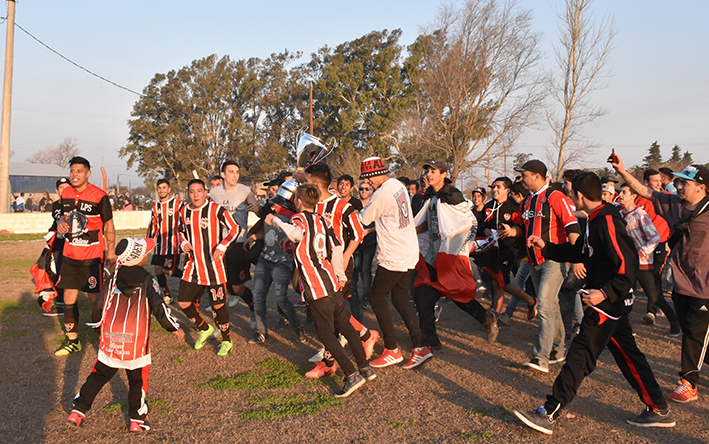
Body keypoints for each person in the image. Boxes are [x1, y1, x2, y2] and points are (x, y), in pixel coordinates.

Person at [514, 172, 675, 434]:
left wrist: (605, 293)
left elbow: (627, 265)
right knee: (629, 356)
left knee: (579, 356)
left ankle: (549, 411)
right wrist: (547, 246)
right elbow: (579, 252)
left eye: (568, 190)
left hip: (607, 304)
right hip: (612, 304)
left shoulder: (608, 221)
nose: (567, 195)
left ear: (578, 194)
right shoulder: (594, 219)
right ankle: (658, 408)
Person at [613, 155, 709, 404]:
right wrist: (623, 171)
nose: (679, 186)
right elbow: (645, 190)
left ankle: (688, 383)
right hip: (681, 281)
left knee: (695, 334)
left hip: (706, 286)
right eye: (679, 182)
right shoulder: (674, 205)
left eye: (685, 182)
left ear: (701, 187)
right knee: (691, 331)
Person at [266, 183, 374, 398]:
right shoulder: (322, 219)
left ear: (298, 201)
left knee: (325, 332)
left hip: (317, 287)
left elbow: (295, 233)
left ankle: (352, 374)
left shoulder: (299, 218)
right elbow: (336, 247)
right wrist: (341, 275)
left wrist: (276, 220)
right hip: (331, 281)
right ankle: (364, 368)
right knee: (345, 326)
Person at [67, 237, 184, 432]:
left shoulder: (113, 277)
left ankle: (78, 411)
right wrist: (173, 327)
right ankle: (137, 421)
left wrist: (99, 328)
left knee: (99, 374)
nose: (147, 256)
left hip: (111, 337)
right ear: (138, 259)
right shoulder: (147, 279)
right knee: (137, 380)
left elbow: (98, 305)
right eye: (145, 254)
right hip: (136, 340)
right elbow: (159, 306)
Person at [414, 161, 498, 359]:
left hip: (448, 256)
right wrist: (409, 232)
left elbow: (466, 222)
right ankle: (431, 342)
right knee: (422, 298)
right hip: (432, 256)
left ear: (444, 174)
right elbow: (427, 222)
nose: (429, 174)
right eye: (428, 171)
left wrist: (453, 240)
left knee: (458, 295)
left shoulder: (453, 195)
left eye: (433, 171)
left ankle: (486, 318)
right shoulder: (430, 196)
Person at [511, 160, 581, 373]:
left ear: (537, 176)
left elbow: (572, 227)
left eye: (525, 175)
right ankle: (559, 351)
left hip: (554, 260)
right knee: (552, 307)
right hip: (534, 262)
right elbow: (523, 227)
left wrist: (577, 258)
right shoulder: (527, 201)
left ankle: (540, 357)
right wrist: (514, 232)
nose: (522, 179)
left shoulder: (555, 197)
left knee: (544, 307)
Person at [359, 157, 425, 369]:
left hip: (393, 255)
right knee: (399, 299)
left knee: (376, 298)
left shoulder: (381, 194)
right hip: (407, 249)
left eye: (369, 178)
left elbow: (363, 218)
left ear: (375, 174)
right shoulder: (397, 185)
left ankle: (392, 349)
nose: (368, 183)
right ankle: (420, 346)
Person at [54, 157, 116, 356]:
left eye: (79, 171)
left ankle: (106, 337)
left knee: (95, 298)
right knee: (68, 297)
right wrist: (60, 224)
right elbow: (63, 218)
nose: (75, 175)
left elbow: (109, 226)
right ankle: (73, 341)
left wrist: (112, 251)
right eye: (72, 171)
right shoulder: (66, 193)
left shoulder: (99, 196)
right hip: (70, 255)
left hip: (92, 257)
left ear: (88, 173)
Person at [176, 179, 241, 356]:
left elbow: (235, 229)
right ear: (187, 193)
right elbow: (180, 231)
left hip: (214, 268)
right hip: (193, 266)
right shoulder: (184, 211)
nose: (195, 194)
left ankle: (226, 341)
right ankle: (204, 328)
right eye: (191, 191)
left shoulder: (216, 209)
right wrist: (183, 243)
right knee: (183, 302)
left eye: (199, 191)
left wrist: (222, 246)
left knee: (218, 306)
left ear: (205, 192)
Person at [248, 177, 306, 344]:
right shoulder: (271, 209)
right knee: (258, 295)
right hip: (265, 259)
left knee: (281, 297)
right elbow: (266, 231)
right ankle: (261, 331)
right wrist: (253, 237)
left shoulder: (297, 217)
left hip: (283, 261)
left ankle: (297, 326)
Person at [617, 183, 680, 336]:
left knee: (655, 296)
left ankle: (675, 323)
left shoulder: (640, 214)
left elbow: (655, 237)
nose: (621, 195)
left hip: (644, 264)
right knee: (625, 294)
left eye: (625, 192)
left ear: (633, 196)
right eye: (620, 192)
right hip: (627, 263)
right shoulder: (618, 213)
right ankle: (625, 329)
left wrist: (641, 252)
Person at [477, 176, 537, 324]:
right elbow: (481, 225)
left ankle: (496, 316)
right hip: (491, 249)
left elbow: (522, 228)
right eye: (494, 187)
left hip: (508, 250)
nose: (495, 190)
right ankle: (527, 302)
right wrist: (485, 231)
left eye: (498, 187)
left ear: (507, 190)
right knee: (496, 282)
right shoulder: (488, 205)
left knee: (500, 282)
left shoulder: (514, 206)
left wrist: (512, 232)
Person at [209, 160, 259, 315]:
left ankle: (253, 309)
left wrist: (258, 208)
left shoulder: (245, 191)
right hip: (218, 244)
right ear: (223, 174)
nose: (235, 175)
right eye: (231, 172)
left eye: (237, 172)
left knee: (237, 287)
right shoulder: (214, 193)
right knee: (218, 284)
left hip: (238, 243)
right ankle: (221, 324)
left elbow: (259, 213)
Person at [147, 179, 183, 305]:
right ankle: (167, 294)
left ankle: (189, 276)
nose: (162, 190)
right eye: (159, 188)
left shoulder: (178, 204)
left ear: (169, 189)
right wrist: (148, 241)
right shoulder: (155, 207)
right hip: (160, 245)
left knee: (168, 270)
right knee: (157, 269)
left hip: (173, 245)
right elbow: (153, 225)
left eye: (164, 187)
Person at [352, 182, 376, 309]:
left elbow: (379, 224)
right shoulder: (354, 204)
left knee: (365, 270)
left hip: (370, 241)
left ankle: (367, 296)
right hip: (356, 242)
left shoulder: (374, 204)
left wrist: (368, 231)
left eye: (367, 189)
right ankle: (353, 294)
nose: (364, 191)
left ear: (371, 191)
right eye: (361, 189)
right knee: (355, 268)